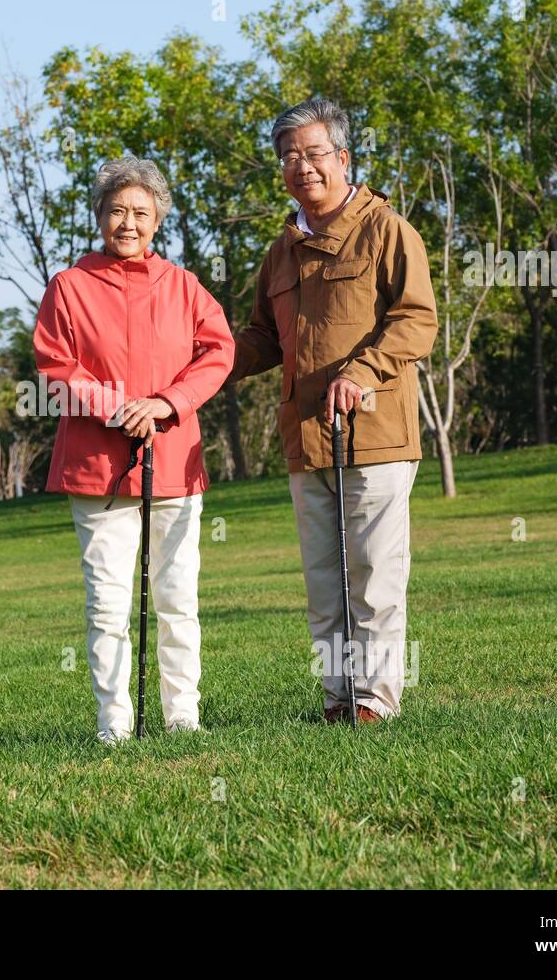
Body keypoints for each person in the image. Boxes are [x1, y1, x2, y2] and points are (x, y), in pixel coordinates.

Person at [226, 98, 438, 723]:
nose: (302, 166)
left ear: (343, 158)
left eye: (314, 153)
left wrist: (361, 370)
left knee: (372, 577)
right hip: (305, 439)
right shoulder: (281, 251)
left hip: (373, 435)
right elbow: (262, 338)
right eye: (289, 156)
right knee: (325, 585)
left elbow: (417, 320)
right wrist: (204, 360)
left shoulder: (387, 230)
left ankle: (374, 701)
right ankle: (337, 699)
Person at [33, 156, 234, 744]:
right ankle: (114, 725)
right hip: (98, 466)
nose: (128, 223)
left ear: (158, 220)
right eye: (117, 210)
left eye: (141, 213)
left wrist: (168, 403)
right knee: (108, 603)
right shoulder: (69, 287)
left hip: (173, 463)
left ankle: (183, 719)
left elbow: (217, 354)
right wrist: (116, 405)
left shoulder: (185, 286)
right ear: (99, 216)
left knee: (176, 599)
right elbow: (54, 366)